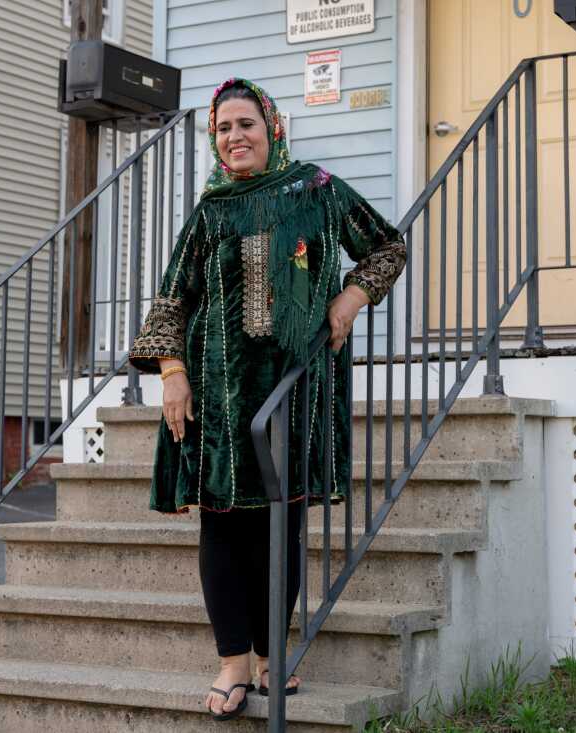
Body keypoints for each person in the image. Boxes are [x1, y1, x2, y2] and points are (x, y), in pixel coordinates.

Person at [129, 79, 406, 721]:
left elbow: (387, 246)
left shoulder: (318, 191)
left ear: (272, 128)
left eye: (245, 124)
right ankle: (232, 664)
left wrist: (350, 297)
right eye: (223, 128)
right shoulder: (211, 211)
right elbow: (172, 298)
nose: (234, 137)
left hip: (293, 392)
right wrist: (172, 372)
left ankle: (269, 656)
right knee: (224, 526)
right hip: (217, 396)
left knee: (281, 523)